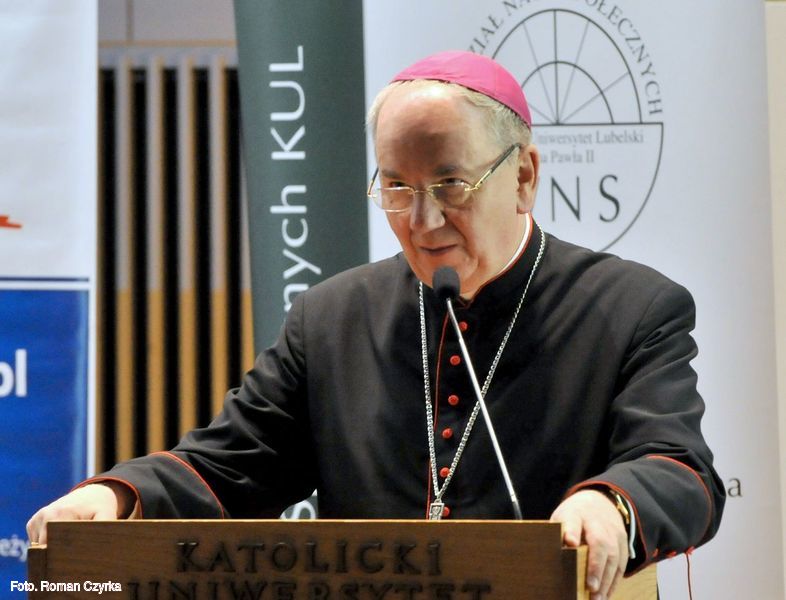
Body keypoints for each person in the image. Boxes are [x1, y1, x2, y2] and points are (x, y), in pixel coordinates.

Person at [28, 51, 724, 599]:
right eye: (396, 187)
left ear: (523, 177)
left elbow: (681, 470)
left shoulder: (632, 309)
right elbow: (229, 467)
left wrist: (611, 506)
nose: (422, 221)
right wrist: (114, 495)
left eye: (450, 185)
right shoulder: (332, 318)